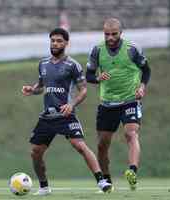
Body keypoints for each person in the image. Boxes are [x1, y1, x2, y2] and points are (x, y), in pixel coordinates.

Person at [22, 27, 112, 196]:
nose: (55, 44)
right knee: (35, 152)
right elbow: (41, 86)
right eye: (53, 41)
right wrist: (32, 89)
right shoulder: (43, 64)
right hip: (47, 117)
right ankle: (44, 187)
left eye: (59, 41)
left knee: (80, 145)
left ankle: (101, 181)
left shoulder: (73, 65)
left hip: (66, 115)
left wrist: (72, 104)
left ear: (66, 43)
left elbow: (83, 89)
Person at [86, 18, 151, 191]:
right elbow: (89, 75)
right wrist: (97, 78)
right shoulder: (97, 50)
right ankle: (106, 182)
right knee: (102, 145)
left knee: (131, 134)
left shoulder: (132, 49)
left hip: (130, 99)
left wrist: (142, 87)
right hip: (107, 103)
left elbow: (146, 70)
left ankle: (132, 171)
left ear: (120, 33)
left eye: (114, 34)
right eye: (107, 34)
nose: (110, 38)